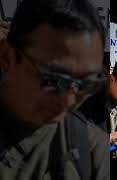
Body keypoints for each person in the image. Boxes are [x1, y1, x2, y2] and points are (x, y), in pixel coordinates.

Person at [0, 0, 109, 179]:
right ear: (7, 57)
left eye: (88, 84)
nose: (69, 100)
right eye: (54, 80)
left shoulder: (91, 149)